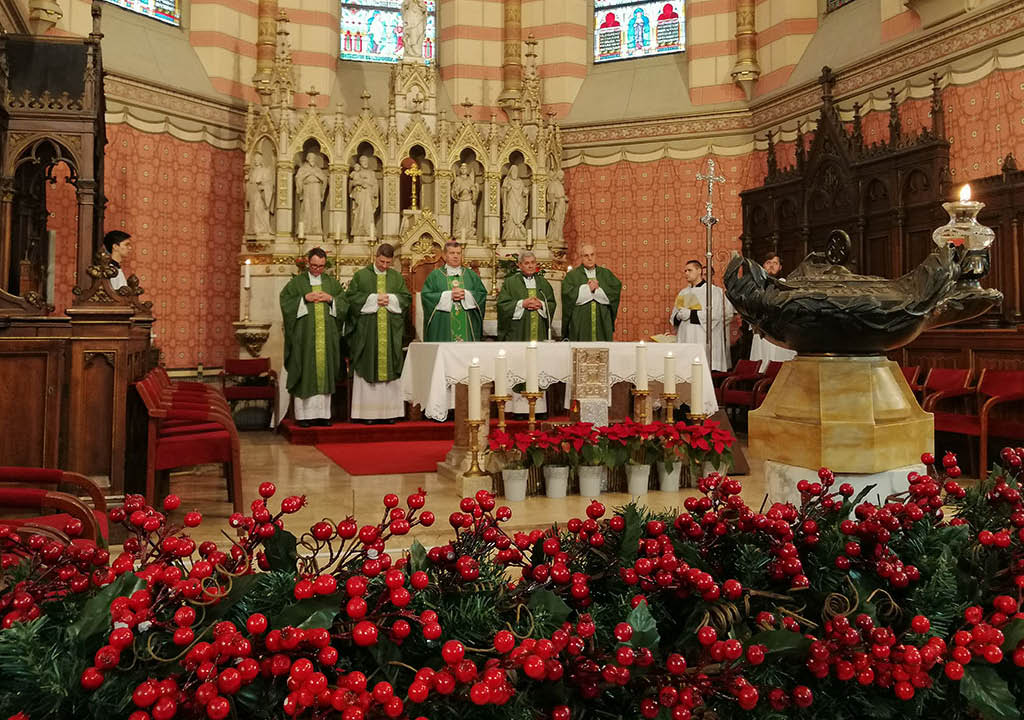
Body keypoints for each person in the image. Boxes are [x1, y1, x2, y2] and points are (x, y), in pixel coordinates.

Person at [280, 248, 347, 427]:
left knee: (324, 372)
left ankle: (323, 415)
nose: (317, 269)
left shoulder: (331, 283)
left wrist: (331, 299)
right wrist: (304, 298)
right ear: (308, 263)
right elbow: (285, 302)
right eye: (314, 265)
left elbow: (344, 305)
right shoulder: (297, 283)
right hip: (305, 339)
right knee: (305, 371)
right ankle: (304, 417)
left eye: (321, 266)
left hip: (327, 338)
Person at [346, 243, 411, 423]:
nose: (384, 266)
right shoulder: (361, 276)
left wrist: (391, 299)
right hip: (368, 332)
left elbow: (406, 299)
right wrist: (373, 299)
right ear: (376, 257)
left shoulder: (396, 277)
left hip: (390, 332)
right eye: (381, 261)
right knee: (369, 364)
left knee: (390, 366)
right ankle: (367, 414)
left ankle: (390, 413)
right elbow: (350, 299)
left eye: (388, 263)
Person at [671, 259, 733, 371]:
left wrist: (691, 314)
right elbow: (673, 317)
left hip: (701, 337)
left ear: (699, 271)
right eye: (685, 271)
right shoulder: (683, 292)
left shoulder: (713, 291)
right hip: (685, 336)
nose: (686, 273)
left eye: (689, 270)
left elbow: (715, 315)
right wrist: (678, 316)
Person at [421, 240, 487, 342]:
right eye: (452, 253)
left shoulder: (471, 275)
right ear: (445, 255)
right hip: (443, 325)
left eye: (458, 253)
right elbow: (426, 296)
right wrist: (448, 295)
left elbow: (481, 295)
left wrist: (466, 295)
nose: (456, 256)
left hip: (467, 325)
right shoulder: (435, 276)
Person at [561, 244, 622, 341]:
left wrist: (597, 290)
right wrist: (587, 288)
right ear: (581, 257)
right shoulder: (572, 276)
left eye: (592, 255)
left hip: (602, 321)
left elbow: (614, 292)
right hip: (580, 322)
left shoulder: (606, 274)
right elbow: (567, 295)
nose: (590, 258)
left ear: (595, 256)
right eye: (586, 255)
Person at [748, 251, 796, 369]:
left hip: (778, 330)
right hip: (761, 328)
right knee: (761, 363)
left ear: (780, 267)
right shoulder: (756, 285)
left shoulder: (785, 285)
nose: (771, 266)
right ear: (763, 266)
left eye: (775, 263)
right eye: (768, 262)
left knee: (778, 364)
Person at [497, 251, 556, 342]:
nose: (530, 266)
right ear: (520, 265)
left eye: (533, 262)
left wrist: (541, 304)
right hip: (518, 331)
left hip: (539, 330)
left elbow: (551, 304)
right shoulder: (510, 282)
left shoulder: (543, 283)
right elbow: (502, 305)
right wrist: (522, 304)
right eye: (527, 263)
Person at [295, 152, 329, 236]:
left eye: (314, 158)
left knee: (316, 209)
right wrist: (308, 174)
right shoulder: (302, 169)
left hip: (316, 189)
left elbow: (324, 179)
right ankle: (306, 229)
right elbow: (298, 178)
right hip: (307, 189)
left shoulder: (318, 169)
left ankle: (316, 228)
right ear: (307, 159)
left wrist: (316, 174)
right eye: (310, 158)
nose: (312, 159)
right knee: (306, 208)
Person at [350, 155, 380, 238]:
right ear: (360, 162)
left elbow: (375, 184)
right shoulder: (357, 172)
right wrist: (360, 183)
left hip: (369, 194)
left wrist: (374, 192)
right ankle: (359, 228)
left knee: (368, 211)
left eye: (366, 161)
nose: (365, 162)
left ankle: (369, 229)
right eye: (363, 161)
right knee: (360, 211)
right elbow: (352, 183)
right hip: (360, 194)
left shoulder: (371, 173)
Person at [247, 153, 274, 235]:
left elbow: (268, 183)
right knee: (253, 210)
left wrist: (262, 185)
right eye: (255, 159)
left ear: (261, 160)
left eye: (258, 159)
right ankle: (254, 229)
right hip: (253, 193)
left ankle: (262, 228)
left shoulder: (265, 170)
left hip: (261, 194)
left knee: (258, 209)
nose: (256, 161)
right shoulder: (253, 172)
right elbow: (250, 183)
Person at [501, 165, 529, 242]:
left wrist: (525, 192)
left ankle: (519, 234)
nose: (515, 173)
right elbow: (502, 193)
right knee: (510, 217)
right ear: (510, 172)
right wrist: (506, 189)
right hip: (510, 201)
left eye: (516, 171)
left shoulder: (520, 182)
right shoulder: (507, 180)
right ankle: (509, 235)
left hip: (519, 203)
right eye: (513, 171)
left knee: (519, 218)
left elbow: (524, 193)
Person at [451, 163, 479, 240]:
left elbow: (474, 191)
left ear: (467, 170)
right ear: (460, 170)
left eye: (465, 168)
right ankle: (459, 232)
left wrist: (474, 190)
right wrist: (457, 190)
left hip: (469, 201)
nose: (463, 170)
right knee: (461, 216)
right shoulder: (457, 179)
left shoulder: (470, 179)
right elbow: (454, 192)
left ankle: (469, 232)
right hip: (461, 200)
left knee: (470, 217)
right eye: (462, 168)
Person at [546, 169, 568, 244]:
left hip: (562, 205)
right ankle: (552, 237)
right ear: (557, 175)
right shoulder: (553, 184)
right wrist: (556, 200)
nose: (562, 177)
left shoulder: (560, 185)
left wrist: (564, 198)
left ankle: (559, 236)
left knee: (560, 221)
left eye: (562, 175)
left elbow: (562, 195)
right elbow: (550, 196)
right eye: (560, 175)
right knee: (555, 220)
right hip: (556, 205)